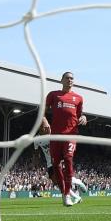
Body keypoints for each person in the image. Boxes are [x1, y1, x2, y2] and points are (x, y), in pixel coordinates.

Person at [43, 71, 88, 206]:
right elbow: (41, 111)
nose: (70, 80)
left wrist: (84, 118)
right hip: (56, 135)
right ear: (61, 80)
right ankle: (64, 193)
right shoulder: (53, 95)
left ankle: (68, 194)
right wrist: (44, 121)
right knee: (56, 164)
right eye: (67, 78)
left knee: (68, 160)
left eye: (72, 78)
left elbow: (80, 115)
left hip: (71, 135)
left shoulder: (78, 98)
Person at [34, 120, 87, 204]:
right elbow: (36, 151)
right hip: (49, 163)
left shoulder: (53, 134)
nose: (48, 128)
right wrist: (36, 162)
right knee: (58, 183)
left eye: (48, 127)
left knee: (61, 180)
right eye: (45, 127)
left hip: (58, 160)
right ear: (41, 128)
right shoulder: (37, 139)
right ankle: (77, 196)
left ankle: (78, 183)